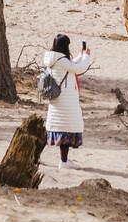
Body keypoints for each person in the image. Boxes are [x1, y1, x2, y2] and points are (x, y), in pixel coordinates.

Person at [40, 33, 93, 166]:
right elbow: (77, 68)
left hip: (57, 100)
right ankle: (63, 162)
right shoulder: (62, 60)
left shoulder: (53, 59)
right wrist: (86, 56)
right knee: (66, 130)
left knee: (60, 129)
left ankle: (64, 161)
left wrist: (80, 56)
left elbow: (70, 65)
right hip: (66, 100)